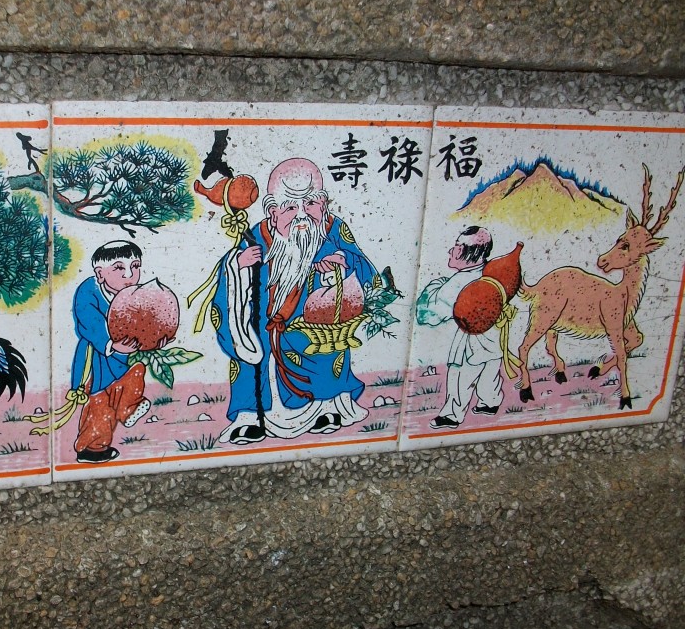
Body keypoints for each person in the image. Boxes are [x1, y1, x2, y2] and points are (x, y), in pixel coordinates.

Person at [212, 157, 379, 444]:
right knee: (252, 351)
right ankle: (250, 416)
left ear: (323, 204)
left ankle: (327, 406)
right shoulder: (256, 237)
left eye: (310, 204)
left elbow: (366, 270)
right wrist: (238, 264)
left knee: (322, 344)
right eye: (290, 207)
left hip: (315, 326)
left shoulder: (333, 230)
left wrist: (342, 261)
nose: (302, 215)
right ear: (273, 211)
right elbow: (228, 283)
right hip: (267, 326)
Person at [69, 241, 154, 463]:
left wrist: (157, 337)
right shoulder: (89, 291)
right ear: (100, 274)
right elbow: (88, 321)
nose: (129, 275)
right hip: (97, 358)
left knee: (136, 373)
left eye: (135, 266)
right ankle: (91, 448)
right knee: (100, 403)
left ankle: (128, 407)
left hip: (123, 357)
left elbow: (146, 322)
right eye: (119, 268)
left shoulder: (136, 295)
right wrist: (109, 344)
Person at [415, 226, 504, 429]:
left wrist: (434, 286)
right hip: (496, 337)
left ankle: (451, 415)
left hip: (472, 339)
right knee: (490, 371)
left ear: (469, 252)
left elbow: (429, 314)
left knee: (460, 375)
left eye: (456, 246)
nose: (451, 251)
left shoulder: (461, 281)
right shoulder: (494, 271)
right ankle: (490, 402)